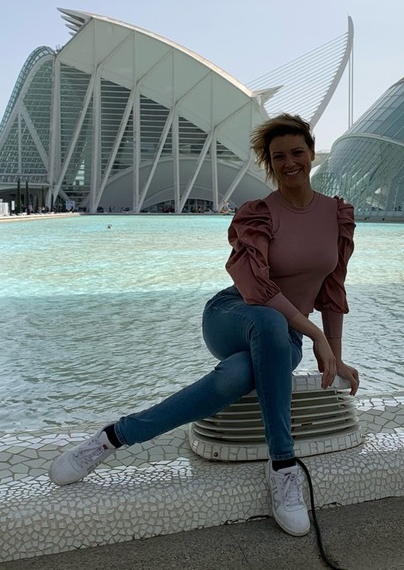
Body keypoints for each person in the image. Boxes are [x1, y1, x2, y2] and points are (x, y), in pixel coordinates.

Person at [48, 113, 360, 538]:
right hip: (232, 315)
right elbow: (259, 289)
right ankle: (283, 466)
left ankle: (111, 438)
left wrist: (336, 357)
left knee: (235, 376)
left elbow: (333, 292)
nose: (290, 163)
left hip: (283, 336)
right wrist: (316, 334)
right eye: (279, 156)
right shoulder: (259, 214)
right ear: (269, 163)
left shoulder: (336, 215)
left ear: (311, 152)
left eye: (297, 152)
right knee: (267, 320)